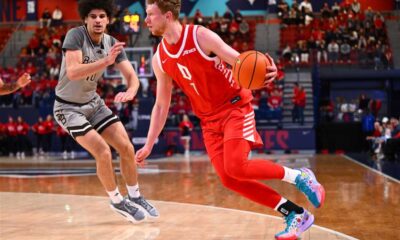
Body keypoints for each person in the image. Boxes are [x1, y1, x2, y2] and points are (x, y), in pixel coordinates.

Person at [136, 1, 325, 239]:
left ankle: (300, 177)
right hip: (209, 121)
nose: (146, 20)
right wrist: (150, 143)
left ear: (168, 15)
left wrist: (266, 70)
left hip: (235, 108)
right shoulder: (159, 59)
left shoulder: (200, 36)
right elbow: (161, 104)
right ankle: (295, 214)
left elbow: (240, 61)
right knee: (229, 178)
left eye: (150, 14)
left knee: (237, 166)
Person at [53, 0, 158, 223]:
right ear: (85, 19)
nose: (98, 20)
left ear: (108, 19)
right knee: (102, 151)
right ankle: (117, 200)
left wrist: (131, 89)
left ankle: (135, 196)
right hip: (68, 107)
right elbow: (72, 72)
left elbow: (132, 77)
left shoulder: (110, 42)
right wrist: (105, 61)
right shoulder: (75, 36)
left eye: (102, 16)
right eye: (93, 16)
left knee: (127, 147)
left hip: (93, 103)